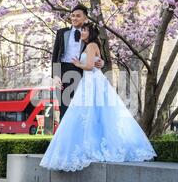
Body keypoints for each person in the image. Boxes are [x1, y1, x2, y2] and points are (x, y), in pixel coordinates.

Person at [40, 23, 156, 171]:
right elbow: (98, 62)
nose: (81, 32)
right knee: (97, 114)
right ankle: (96, 144)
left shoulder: (90, 46)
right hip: (91, 80)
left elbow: (89, 66)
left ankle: (93, 146)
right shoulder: (92, 45)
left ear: (91, 32)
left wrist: (77, 63)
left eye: (84, 30)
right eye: (81, 30)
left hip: (91, 80)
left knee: (91, 113)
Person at [51, 5, 104, 120]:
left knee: (81, 110)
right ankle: (65, 137)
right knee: (64, 108)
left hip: (82, 72)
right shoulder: (61, 33)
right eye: (73, 16)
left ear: (85, 18)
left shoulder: (89, 35)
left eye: (78, 16)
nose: (74, 18)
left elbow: (99, 55)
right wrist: (55, 76)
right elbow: (55, 55)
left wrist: (101, 63)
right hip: (63, 71)